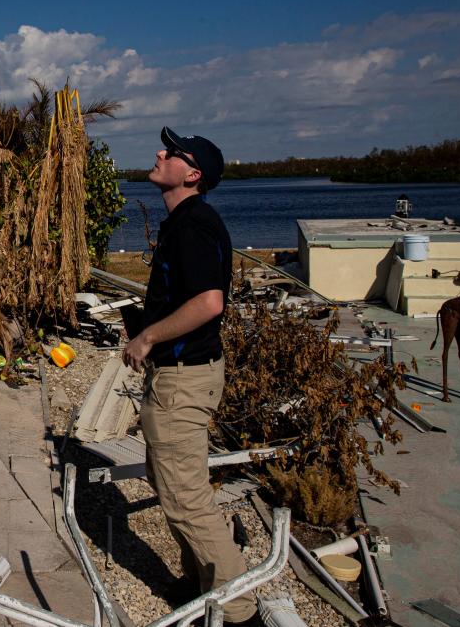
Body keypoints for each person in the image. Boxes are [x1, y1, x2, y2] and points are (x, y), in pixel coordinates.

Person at [121, 127, 259, 626]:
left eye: (172, 152)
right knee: (174, 485)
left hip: (184, 379)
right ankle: (202, 587)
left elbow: (208, 302)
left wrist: (148, 337)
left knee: (186, 501)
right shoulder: (185, 222)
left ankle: (240, 613)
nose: (159, 153)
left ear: (192, 173)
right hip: (180, 377)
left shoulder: (194, 223)